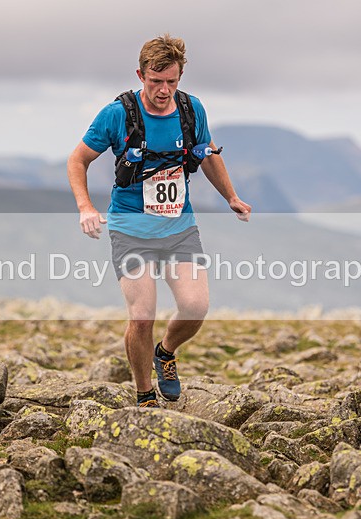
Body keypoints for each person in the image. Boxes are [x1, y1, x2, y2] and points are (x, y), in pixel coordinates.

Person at [67, 34, 251, 408]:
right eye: (155, 81)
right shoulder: (117, 114)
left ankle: (165, 353)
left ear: (180, 77)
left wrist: (231, 196)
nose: (164, 90)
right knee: (141, 316)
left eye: (171, 81)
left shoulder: (191, 109)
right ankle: (144, 394)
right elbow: (77, 160)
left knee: (196, 307)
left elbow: (209, 154)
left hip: (178, 227)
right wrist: (85, 206)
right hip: (130, 228)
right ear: (141, 74)